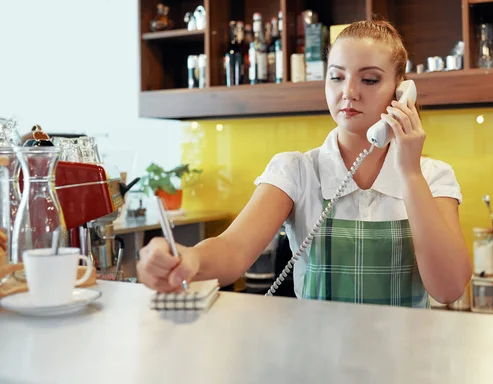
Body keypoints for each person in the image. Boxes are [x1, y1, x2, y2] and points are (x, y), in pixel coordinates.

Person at [137, 20, 472, 307]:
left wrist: (410, 173)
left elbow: (448, 289)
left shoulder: (433, 176)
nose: (348, 92)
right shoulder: (295, 171)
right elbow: (233, 249)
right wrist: (189, 258)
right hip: (315, 362)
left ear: (402, 92)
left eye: (369, 80)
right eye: (337, 77)